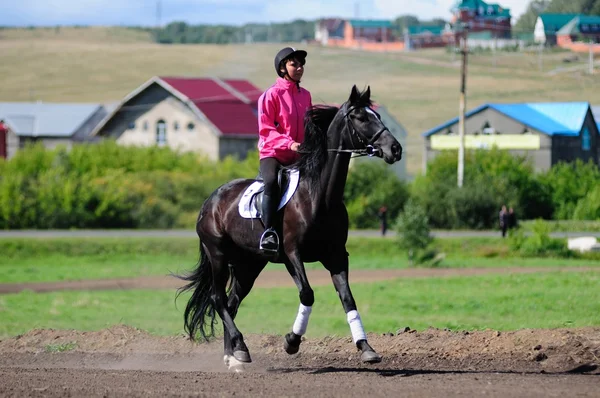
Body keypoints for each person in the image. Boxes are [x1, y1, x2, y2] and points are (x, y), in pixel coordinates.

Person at [257, 47, 312, 253]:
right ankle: (268, 233)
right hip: (273, 154)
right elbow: (266, 130)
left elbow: (309, 127)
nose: (299, 68)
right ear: (282, 69)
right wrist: (289, 144)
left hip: (299, 155)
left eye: (301, 65)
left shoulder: (305, 95)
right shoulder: (270, 95)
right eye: (294, 64)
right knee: (271, 182)